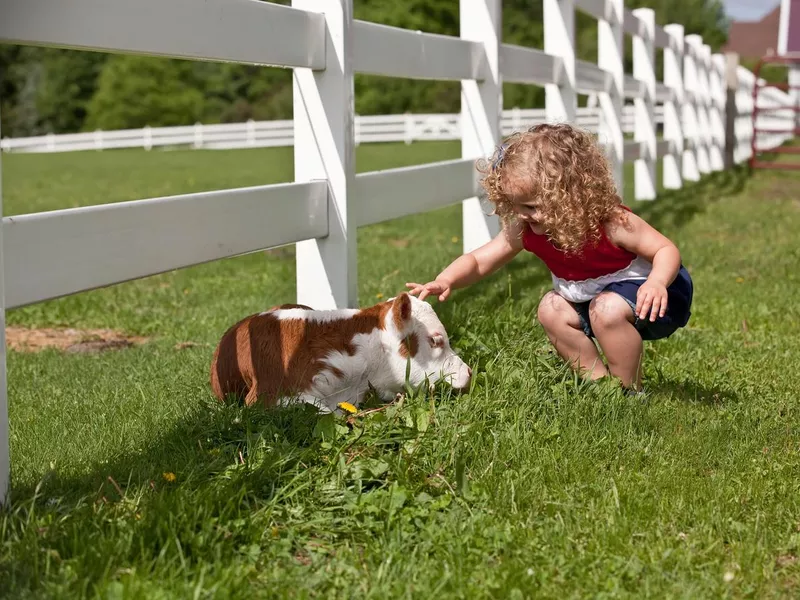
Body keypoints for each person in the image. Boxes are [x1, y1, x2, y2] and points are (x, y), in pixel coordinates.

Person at [405, 123, 693, 392]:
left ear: (571, 194)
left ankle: (629, 389)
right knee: (550, 309)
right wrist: (446, 279)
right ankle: (601, 386)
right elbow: (481, 260)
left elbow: (666, 250)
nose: (521, 214)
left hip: (655, 297)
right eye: (514, 205)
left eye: (530, 206)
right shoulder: (527, 228)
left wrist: (656, 282)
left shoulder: (611, 223)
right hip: (593, 298)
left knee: (607, 310)